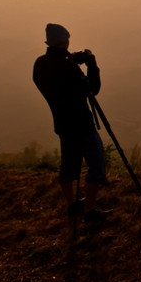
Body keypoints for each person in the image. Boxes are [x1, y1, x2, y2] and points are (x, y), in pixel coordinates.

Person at [33, 23, 109, 223]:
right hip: (83, 125)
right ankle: (90, 211)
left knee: (68, 167)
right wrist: (91, 63)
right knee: (97, 166)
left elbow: (55, 77)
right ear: (64, 41)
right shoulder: (69, 68)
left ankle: (73, 204)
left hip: (63, 126)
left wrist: (69, 59)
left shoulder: (39, 65)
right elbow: (93, 88)